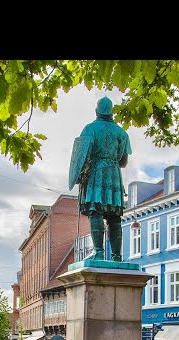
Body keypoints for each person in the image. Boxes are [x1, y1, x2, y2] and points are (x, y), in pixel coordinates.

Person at [69, 96, 131, 262]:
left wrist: (80, 175)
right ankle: (117, 256)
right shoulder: (121, 133)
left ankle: (98, 252)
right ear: (112, 112)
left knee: (96, 210)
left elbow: (82, 156)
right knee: (114, 216)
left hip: (96, 173)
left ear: (97, 111)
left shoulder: (90, 129)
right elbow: (124, 161)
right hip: (114, 174)